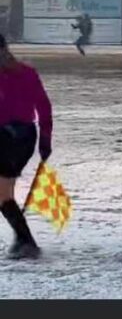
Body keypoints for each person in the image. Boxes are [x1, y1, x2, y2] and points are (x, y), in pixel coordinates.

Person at [0, 33, 52, 259]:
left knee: (3, 195)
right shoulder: (27, 72)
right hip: (26, 138)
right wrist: (45, 139)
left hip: (5, 138)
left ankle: (27, 241)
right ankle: (22, 240)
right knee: (5, 193)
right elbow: (43, 106)